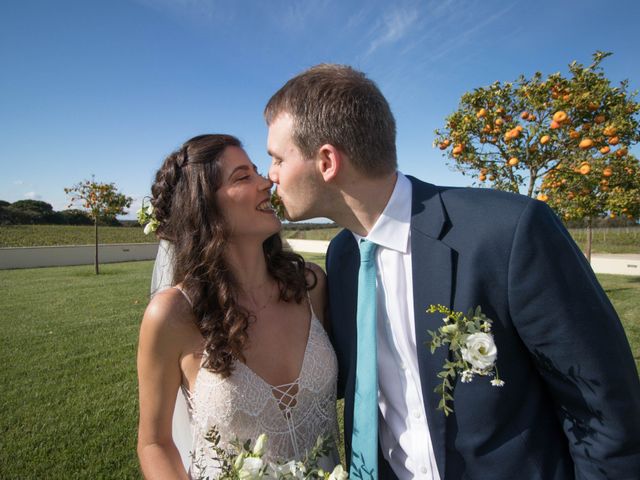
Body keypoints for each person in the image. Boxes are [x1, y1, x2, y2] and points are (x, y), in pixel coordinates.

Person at [264, 64, 640, 479]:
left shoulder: (509, 234)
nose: (271, 175)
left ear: (327, 161)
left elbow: (604, 409)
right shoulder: (341, 256)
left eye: (278, 158)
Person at [136, 134, 339, 479]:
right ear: (203, 206)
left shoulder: (310, 286)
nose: (267, 183)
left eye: (258, 171)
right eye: (243, 177)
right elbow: (154, 442)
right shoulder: (172, 314)